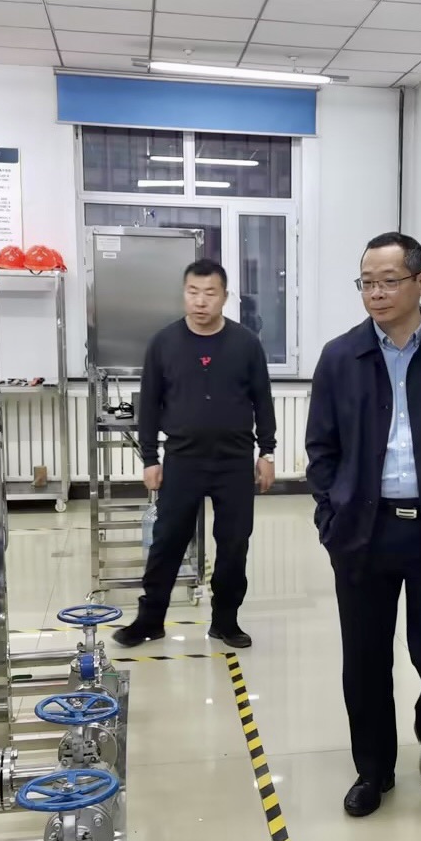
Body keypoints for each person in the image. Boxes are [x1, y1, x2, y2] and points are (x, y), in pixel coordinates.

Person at [305, 232, 421, 818]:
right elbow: (321, 447)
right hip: (363, 530)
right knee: (365, 660)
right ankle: (374, 770)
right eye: (366, 282)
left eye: (389, 281)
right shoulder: (340, 356)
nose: (376, 292)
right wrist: (330, 516)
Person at [114, 259, 277, 651]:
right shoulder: (164, 343)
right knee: (167, 541)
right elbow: (149, 404)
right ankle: (150, 620)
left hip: (234, 461)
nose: (201, 301)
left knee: (234, 543)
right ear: (184, 293)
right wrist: (149, 458)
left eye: (210, 293)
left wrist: (267, 452)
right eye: (193, 292)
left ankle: (225, 621)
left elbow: (263, 400)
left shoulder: (245, 344)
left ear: (224, 297)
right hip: (182, 459)